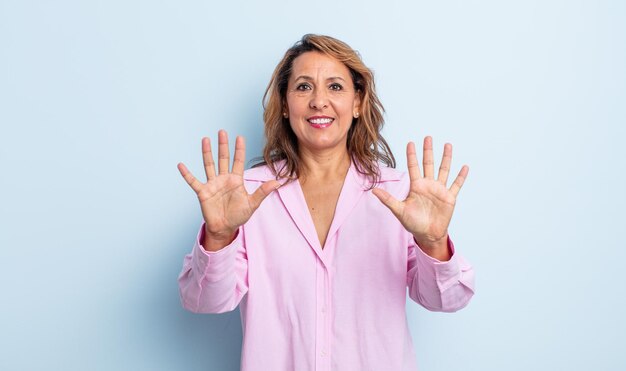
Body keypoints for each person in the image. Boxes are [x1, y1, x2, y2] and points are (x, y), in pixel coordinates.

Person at [177, 34, 475, 371]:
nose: (319, 101)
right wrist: (218, 237)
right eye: (304, 87)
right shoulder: (245, 197)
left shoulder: (401, 195)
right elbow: (203, 302)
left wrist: (433, 242)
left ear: (358, 103)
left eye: (335, 87)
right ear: (285, 105)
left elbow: (446, 300)